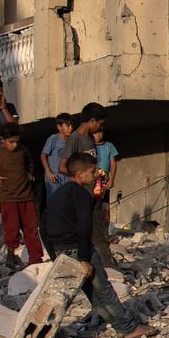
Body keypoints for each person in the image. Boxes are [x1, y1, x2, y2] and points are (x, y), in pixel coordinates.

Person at [47, 152, 156, 338]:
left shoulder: (59, 193)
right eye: (92, 171)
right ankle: (129, 328)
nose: (96, 174)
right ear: (80, 175)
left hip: (61, 249)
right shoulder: (81, 193)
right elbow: (84, 226)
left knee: (92, 292)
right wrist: (84, 258)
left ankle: (120, 326)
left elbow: (43, 226)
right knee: (104, 290)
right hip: (78, 248)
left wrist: (54, 256)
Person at [0, 123, 44, 265]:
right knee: (11, 229)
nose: (14, 145)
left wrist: (29, 173)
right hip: (8, 197)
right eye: (11, 142)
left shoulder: (22, 150)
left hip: (26, 196)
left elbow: (29, 162)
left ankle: (35, 258)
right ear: (2, 140)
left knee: (31, 229)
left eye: (16, 142)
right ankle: (11, 255)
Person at [59, 103, 115, 268]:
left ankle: (104, 264)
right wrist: (83, 177)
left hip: (95, 192)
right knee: (87, 231)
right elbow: (62, 167)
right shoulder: (75, 139)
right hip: (82, 194)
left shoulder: (89, 139)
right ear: (92, 120)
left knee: (99, 229)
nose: (100, 128)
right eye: (100, 124)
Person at [41, 113, 73, 197]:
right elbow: (43, 155)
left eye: (71, 126)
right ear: (59, 127)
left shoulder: (72, 140)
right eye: (67, 125)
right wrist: (49, 172)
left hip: (66, 176)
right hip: (54, 177)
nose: (70, 128)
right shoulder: (53, 139)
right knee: (54, 201)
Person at [93, 129, 118, 221]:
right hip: (92, 181)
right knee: (93, 206)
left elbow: (113, 164)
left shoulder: (109, 145)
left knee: (105, 207)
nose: (98, 135)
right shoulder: (89, 146)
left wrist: (112, 180)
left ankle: (105, 231)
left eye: (100, 132)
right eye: (95, 133)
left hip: (105, 181)